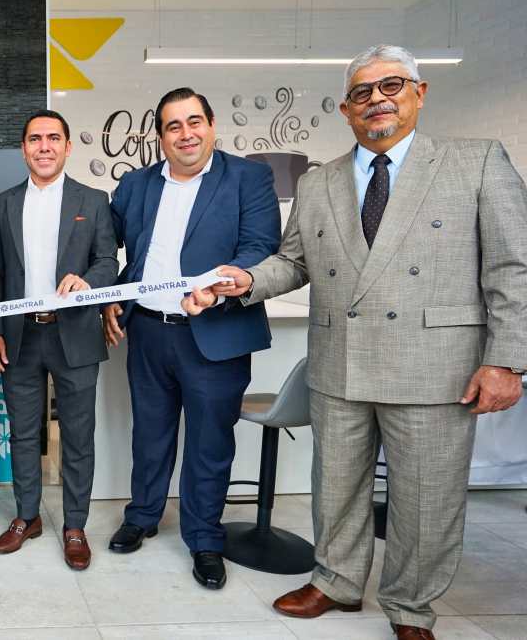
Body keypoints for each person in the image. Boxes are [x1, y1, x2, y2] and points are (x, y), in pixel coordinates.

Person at [183, 45, 527, 640]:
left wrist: (507, 359)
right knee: (336, 487)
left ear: (420, 93)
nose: (377, 100)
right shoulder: (318, 182)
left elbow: (512, 267)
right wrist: (242, 281)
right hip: (340, 360)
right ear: (345, 109)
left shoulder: (474, 163)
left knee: (425, 499)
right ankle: (336, 581)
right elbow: (293, 262)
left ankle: (411, 606)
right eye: (362, 92)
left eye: (391, 86)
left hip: (434, 366)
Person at [101, 88, 281, 589]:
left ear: (211, 125)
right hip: (148, 330)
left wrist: (218, 286)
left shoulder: (248, 177)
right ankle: (142, 516)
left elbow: (260, 247)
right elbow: (106, 246)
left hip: (216, 332)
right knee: (149, 433)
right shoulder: (135, 185)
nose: (186, 134)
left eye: (194, 121)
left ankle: (204, 537)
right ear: (160, 136)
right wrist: (107, 294)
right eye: (173, 126)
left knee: (209, 442)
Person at [0, 109, 117, 570]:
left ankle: (75, 525)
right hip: (19, 335)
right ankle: (27, 517)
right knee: (23, 432)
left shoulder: (93, 200)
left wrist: (89, 282)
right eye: (35, 139)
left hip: (75, 333)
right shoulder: (3, 204)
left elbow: (108, 261)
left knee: (78, 434)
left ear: (67, 146)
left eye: (53, 138)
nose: (44, 146)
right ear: (24, 148)